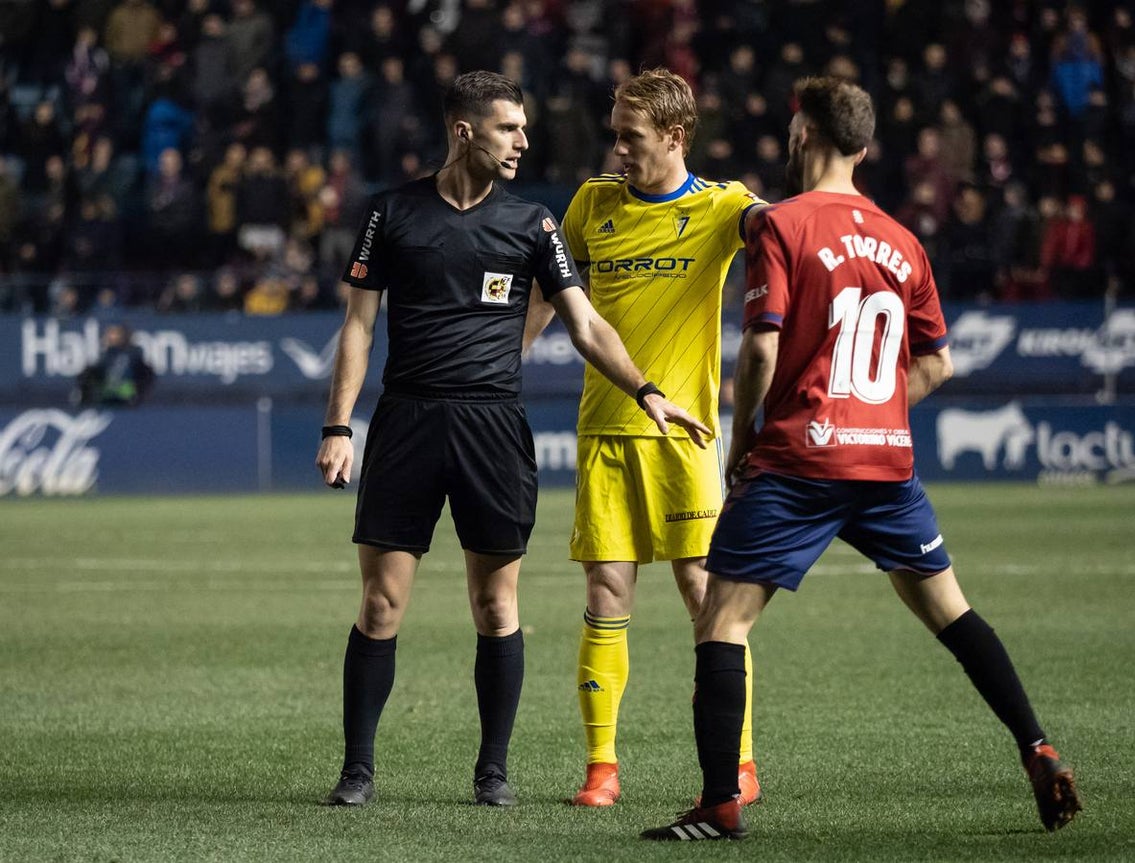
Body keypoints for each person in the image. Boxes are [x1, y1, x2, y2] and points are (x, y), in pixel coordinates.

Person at [641, 76, 1082, 841]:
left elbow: (763, 344)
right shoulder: (903, 238)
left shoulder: (780, 226)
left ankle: (719, 804)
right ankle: (1036, 745)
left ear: (802, 134)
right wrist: (873, 414)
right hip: (885, 466)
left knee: (723, 620)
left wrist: (743, 439)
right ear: (865, 147)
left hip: (796, 463)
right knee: (952, 612)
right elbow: (937, 363)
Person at [314, 70, 710, 810]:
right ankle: (357, 770)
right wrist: (340, 425)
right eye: (509, 128)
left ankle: (491, 770)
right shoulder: (390, 214)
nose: (526, 140)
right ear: (464, 130)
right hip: (406, 423)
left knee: (497, 608)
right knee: (380, 604)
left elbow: (586, 323)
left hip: (493, 428)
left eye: (524, 127)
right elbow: (359, 326)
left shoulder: (534, 224)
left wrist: (646, 389)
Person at [543, 68, 765, 807]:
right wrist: (500, 360)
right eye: (614, 136)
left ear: (674, 137)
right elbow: (555, 291)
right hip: (606, 428)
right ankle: (601, 768)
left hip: (687, 436)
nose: (617, 151)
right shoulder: (590, 204)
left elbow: (785, 229)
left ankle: (736, 761)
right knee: (606, 589)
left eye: (630, 138)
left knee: (707, 592)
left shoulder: (722, 205)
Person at [74, 323, 154, 407]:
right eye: (109, 334)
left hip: (126, 400)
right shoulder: (104, 356)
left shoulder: (133, 356)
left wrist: (138, 395)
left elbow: (145, 377)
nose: (111, 337)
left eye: (115, 333)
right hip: (105, 399)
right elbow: (93, 376)